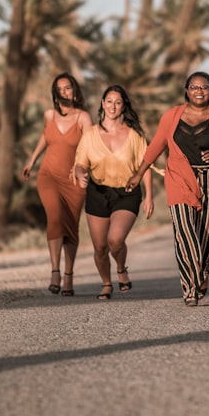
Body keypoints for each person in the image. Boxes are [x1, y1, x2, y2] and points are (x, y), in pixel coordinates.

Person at [125, 72, 209, 306]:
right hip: (179, 176)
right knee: (184, 230)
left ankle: (202, 271)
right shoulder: (172, 116)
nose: (199, 91)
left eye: (204, 87)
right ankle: (191, 285)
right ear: (186, 90)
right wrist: (138, 174)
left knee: (206, 232)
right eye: (194, 87)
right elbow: (156, 145)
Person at [72, 85, 154, 300]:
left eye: (118, 102)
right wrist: (80, 175)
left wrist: (149, 196)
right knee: (100, 246)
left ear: (123, 106)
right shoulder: (90, 135)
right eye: (109, 101)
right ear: (102, 103)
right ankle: (107, 283)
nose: (113, 106)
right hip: (97, 192)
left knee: (115, 240)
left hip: (127, 192)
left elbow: (144, 166)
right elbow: (80, 163)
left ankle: (121, 268)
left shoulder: (134, 135)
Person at [22, 73, 93, 296]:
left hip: (73, 179)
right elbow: (45, 137)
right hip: (48, 175)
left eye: (68, 88)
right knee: (54, 217)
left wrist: (83, 170)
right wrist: (32, 160)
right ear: (55, 93)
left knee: (71, 224)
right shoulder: (49, 115)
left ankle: (69, 275)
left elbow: (90, 147)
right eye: (60, 89)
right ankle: (55, 271)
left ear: (75, 91)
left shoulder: (83, 118)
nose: (64, 92)